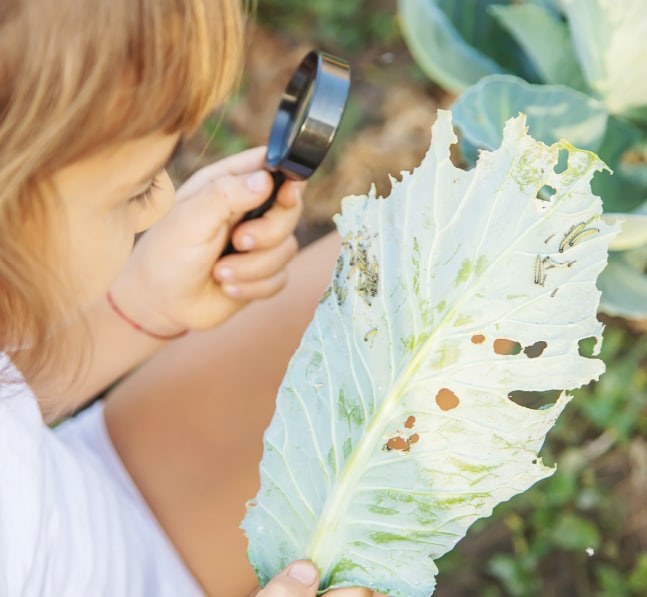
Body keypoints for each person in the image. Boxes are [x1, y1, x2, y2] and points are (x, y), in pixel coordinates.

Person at [0, 1, 374, 596]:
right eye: (136, 188)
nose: (160, 203)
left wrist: (140, 306)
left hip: (93, 491)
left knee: (419, 271)